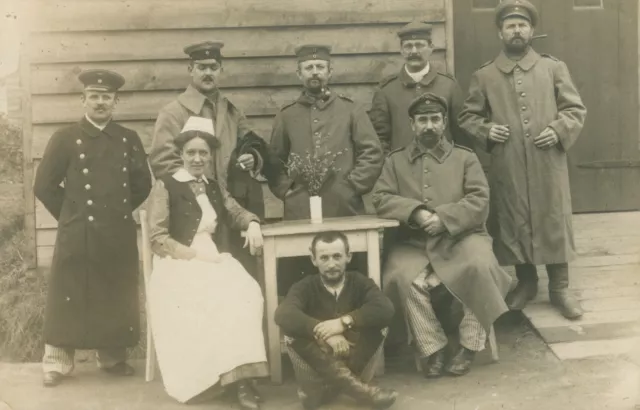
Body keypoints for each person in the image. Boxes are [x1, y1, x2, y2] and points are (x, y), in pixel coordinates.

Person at [458, 0, 587, 319]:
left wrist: (558, 131)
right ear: (500, 32)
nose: (517, 30)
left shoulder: (553, 67)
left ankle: (559, 289)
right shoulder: (485, 75)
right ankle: (526, 282)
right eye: (510, 26)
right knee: (514, 219)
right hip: (509, 162)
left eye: (522, 25)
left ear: (532, 30)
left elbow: (575, 110)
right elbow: (468, 117)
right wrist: (488, 131)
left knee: (552, 216)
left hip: (548, 162)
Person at [373, 93, 512, 377]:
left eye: (435, 119)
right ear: (412, 125)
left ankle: (469, 346)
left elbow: (479, 198)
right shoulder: (396, 161)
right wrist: (416, 213)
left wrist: (444, 219)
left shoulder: (465, 157)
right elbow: (381, 197)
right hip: (413, 243)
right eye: (422, 120)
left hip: (462, 237)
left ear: (444, 122)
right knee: (401, 277)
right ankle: (432, 347)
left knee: (480, 266)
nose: (429, 126)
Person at [33, 69, 152, 387]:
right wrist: (71, 214)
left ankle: (112, 358)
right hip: (77, 231)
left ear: (116, 101)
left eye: (107, 97)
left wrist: (115, 212)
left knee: (114, 292)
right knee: (68, 292)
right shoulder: (65, 138)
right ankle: (56, 362)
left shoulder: (129, 139)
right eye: (95, 96)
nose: (101, 102)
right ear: (83, 99)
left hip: (116, 231)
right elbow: (44, 185)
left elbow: (143, 184)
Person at [146, 116, 268, 409]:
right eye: (191, 152)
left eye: (203, 153)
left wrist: (251, 223)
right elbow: (157, 237)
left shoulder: (213, 186)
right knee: (208, 297)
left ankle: (241, 378)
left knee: (247, 292)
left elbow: (234, 210)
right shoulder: (167, 186)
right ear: (181, 154)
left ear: (211, 155)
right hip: (177, 260)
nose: (197, 158)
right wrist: (191, 255)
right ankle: (216, 378)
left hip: (213, 256)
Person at [268, 44, 383, 290]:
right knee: (301, 277)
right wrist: (286, 190)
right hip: (301, 211)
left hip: (345, 207)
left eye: (320, 67)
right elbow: (274, 161)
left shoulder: (351, 110)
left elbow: (372, 152)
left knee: (353, 276)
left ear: (330, 71)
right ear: (299, 74)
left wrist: (352, 185)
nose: (315, 72)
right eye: (308, 68)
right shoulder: (286, 116)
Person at [150, 40, 271, 274]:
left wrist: (251, 157)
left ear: (220, 70)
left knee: (239, 277)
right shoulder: (173, 113)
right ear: (190, 70)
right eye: (201, 67)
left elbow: (252, 144)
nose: (208, 73)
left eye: (213, 67)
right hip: (191, 216)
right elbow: (163, 163)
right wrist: (200, 192)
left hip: (230, 206)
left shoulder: (232, 111)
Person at [275, 231, 397, 410]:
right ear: (313, 259)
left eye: (337, 256)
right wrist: (322, 332)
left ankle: (324, 392)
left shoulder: (359, 282)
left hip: (354, 357)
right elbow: (283, 313)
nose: (331, 264)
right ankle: (363, 392)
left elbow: (385, 308)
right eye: (324, 258)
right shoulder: (305, 286)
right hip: (316, 365)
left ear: (348, 257)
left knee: (380, 324)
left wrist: (342, 323)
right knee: (291, 331)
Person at [368, 21, 472, 154]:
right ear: (401, 50)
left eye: (419, 45)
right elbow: (379, 138)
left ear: (431, 47)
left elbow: (462, 136)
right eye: (408, 46)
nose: (414, 51)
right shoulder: (387, 90)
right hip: (402, 170)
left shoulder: (449, 86)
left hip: (443, 168)